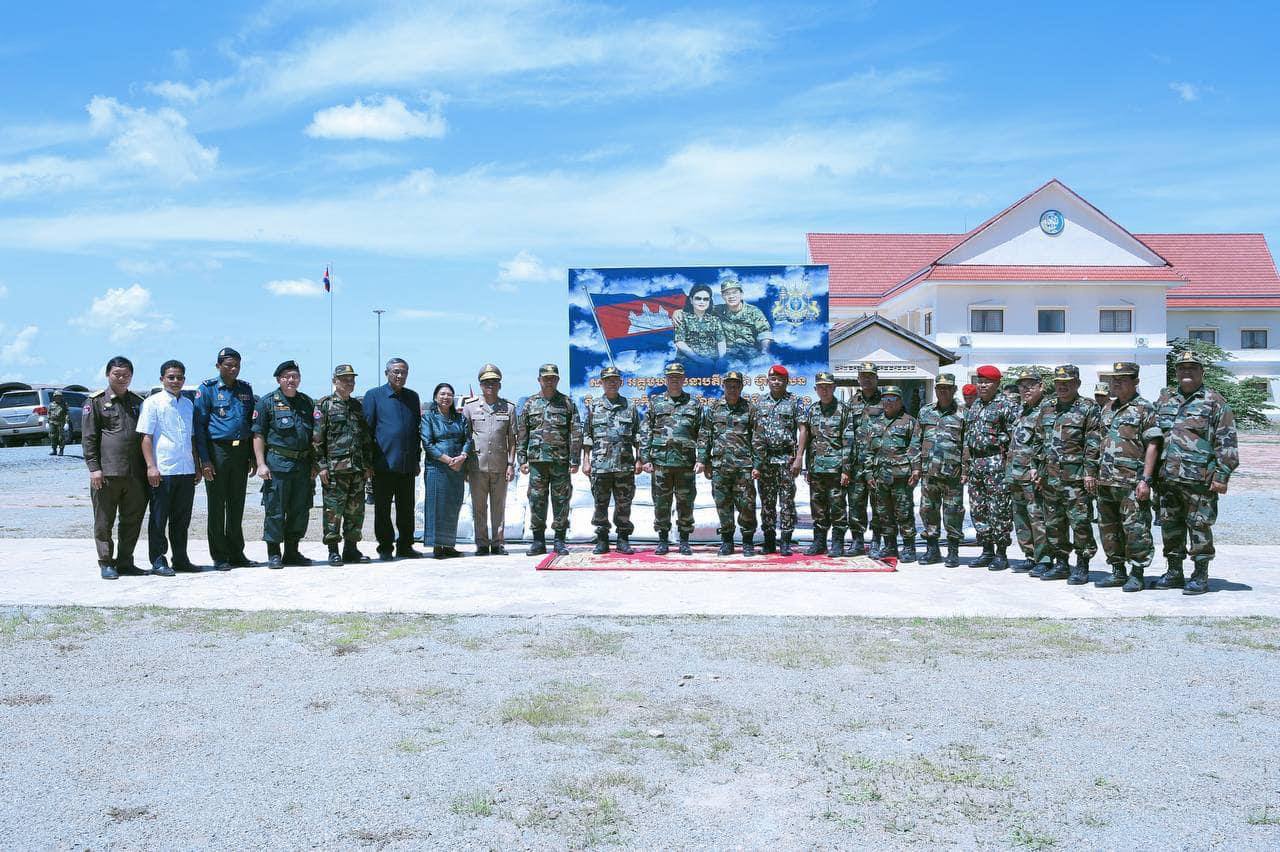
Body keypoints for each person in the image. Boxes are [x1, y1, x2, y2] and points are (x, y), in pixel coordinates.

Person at [1153, 351, 1239, 595]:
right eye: (1182, 367)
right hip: (1167, 478)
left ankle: (1200, 575)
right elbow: (1154, 437)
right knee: (1170, 526)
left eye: (1192, 367)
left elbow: (1227, 441)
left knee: (1199, 526)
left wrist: (1222, 475)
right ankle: (1174, 572)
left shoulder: (1214, 401)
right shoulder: (1165, 399)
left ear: (1202, 372)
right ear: (1176, 372)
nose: (1187, 371)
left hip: (1199, 479)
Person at [1094, 362, 1162, 592]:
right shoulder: (1107, 408)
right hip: (1106, 480)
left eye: (1123, 379)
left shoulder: (1145, 408)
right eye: (1115, 379)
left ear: (1136, 382)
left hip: (1131, 481)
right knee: (1109, 529)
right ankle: (1117, 571)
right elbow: (1099, 442)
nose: (1117, 383)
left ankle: (1137, 573)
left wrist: (1146, 479)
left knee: (1136, 529)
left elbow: (1153, 444)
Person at [82, 356, 148, 580]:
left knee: (132, 520)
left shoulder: (138, 402)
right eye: (117, 374)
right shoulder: (96, 401)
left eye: (126, 375)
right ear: (108, 375)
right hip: (107, 473)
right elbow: (89, 437)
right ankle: (106, 562)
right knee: (104, 521)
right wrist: (94, 468)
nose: (121, 378)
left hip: (135, 473)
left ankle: (125, 561)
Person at [1038, 365, 1102, 584]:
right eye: (1058, 382)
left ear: (1077, 384)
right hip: (1050, 477)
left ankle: (1082, 564)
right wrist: (1037, 469)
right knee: (1053, 522)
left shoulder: (1088, 407)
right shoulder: (1047, 407)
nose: (1062, 386)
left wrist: (1090, 473)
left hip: (1076, 479)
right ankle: (1061, 563)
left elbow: (1093, 442)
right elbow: (1038, 439)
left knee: (1080, 522)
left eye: (1067, 382)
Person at [137, 359, 202, 575]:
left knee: (181, 519)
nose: (175, 381)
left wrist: (197, 465)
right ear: (162, 379)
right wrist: (151, 466)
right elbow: (146, 437)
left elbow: (192, 438)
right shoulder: (152, 403)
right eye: (171, 377)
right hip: (163, 469)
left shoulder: (188, 404)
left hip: (185, 469)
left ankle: (181, 558)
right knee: (159, 518)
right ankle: (158, 560)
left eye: (179, 377)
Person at [193, 347, 256, 571]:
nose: (233, 369)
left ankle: (236, 552)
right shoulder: (207, 389)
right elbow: (199, 427)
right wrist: (205, 460)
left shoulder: (245, 389)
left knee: (237, 504)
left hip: (240, 452)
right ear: (218, 366)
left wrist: (251, 456)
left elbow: (250, 424)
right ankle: (219, 555)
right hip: (217, 451)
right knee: (217, 505)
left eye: (237, 365)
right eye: (228, 365)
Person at [253, 360, 317, 569]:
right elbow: (258, 435)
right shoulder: (267, 403)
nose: (291, 380)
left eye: (295, 376)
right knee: (275, 509)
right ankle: (274, 553)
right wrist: (261, 464)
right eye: (287, 377)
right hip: (278, 465)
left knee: (300, 509)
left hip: (302, 466)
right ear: (279, 379)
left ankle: (292, 551)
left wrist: (315, 463)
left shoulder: (307, 402)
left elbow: (314, 436)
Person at [516, 363, 582, 555]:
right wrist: (522, 459)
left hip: (561, 461)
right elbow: (522, 432)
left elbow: (575, 432)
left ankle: (559, 540)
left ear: (558, 380)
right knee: (537, 500)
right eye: (546, 378)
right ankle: (538, 541)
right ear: (539, 380)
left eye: (553, 378)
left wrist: (575, 459)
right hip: (537, 462)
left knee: (561, 500)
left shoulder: (567, 403)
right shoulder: (530, 403)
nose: (549, 381)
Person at [363, 358, 424, 560]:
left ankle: (405, 545)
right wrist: (368, 462)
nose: (400, 376)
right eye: (396, 372)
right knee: (382, 509)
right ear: (387, 373)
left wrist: (416, 459)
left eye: (403, 372)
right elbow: (367, 430)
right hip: (383, 464)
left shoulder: (412, 397)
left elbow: (416, 431)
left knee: (406, 508)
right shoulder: (374, 395)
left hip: (407, 464)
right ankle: (385, 547)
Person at [314, 364, 374, 566]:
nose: (349, 383)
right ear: (335, 381)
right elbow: (317, 439)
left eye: (352, 380)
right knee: (333, 511)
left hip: (357, 469)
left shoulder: (357, 406)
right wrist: (321, 466)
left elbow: (365, 438)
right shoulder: (325, 405)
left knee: (355, 512)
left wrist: (367, 464)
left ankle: (351, 549)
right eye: (345, 379)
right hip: (335, 470)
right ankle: (333, 550)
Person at [640, 362, 702, 555]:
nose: (674, 379)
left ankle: (684, 540)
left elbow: (702, 433)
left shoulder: (693, 403)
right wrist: (645, 458)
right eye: (671, 376)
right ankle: (663, 540)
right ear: (665, 379)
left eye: (678, 376)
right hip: (661, 462)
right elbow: (646, 431)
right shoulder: (656, 402)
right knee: (661, 502)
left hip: (686, 463)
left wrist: (702, 458)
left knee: (686, 502)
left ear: (684, 379)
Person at [962, 365, 1017, 569]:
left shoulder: (1006, 406)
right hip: (976, 463)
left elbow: (1015, 439)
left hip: (996, 462)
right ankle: (986, 550)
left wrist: (1010, 467)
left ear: (997, 384)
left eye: (987, 382)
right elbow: (968, 436)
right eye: (980, 382)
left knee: (999, 509)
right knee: (979, 508)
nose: (983, 385)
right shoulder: (975, 405)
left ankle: (1001, 553)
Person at [582, 366, 641, 554]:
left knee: (624, 503)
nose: (612, 383)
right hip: (600, 466)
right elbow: (587, 436)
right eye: (608, 380)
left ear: (620, 382)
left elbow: (637, 436)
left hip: (624, 464)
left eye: (615, 380)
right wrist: (586, 460)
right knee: (600, 503)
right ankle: (602, 539)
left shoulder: (630, 407)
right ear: (601, 383)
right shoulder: (593, 407)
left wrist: (639, 459)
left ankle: (623, 539)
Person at [700, 370, 759, 556]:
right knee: (723, 505)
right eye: (729, 386)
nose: (732, 389)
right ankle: (727, 541)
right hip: (720, 467)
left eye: (736, 386)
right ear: (723, 386)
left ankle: (747, 541)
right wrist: (704, 461)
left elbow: (757, 439)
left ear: (741, 387)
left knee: (747, 505)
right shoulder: (714, 408)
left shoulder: (750, 409)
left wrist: (757, 465)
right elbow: (705, 436)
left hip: (744, 467)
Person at [462, 364, 517, 555]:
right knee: (479, 506)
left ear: (499, 385)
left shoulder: (508, 408)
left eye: (494, 382)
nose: (490, 386)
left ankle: (498, 543)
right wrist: (465, 466)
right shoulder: (470, 407)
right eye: (486, 383)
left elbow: (512, 440)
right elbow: (465, 437)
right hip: (476, 465)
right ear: (480, 385)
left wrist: (511, 464)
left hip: (500, 465)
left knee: (498, 506)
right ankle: (482, 543)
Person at [797, 371, 853, 557]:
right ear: (815, 389)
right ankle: (819, 543)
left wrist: (846, 469)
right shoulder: (813, 410)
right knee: (818, 508)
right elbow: (808, 440)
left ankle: (837, 543)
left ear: (834, 388)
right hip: (816, 469)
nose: (824, 390)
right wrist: (807, 467)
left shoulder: (844, 410)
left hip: (836, 470)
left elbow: (848, 441)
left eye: (828, 387)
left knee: (838, 508)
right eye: (821, 387)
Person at [864, 386, 922, 561]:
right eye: (885, 399)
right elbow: (868, 450)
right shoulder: (875, 423)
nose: (888, 403)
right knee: (883, 512)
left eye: (892, 399)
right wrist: (868, 473)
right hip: (880, 475)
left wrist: (916, 469)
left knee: (904, 511)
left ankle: (909, 547)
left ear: (900, 401)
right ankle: (890, 546)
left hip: (901, 476)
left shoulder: (909, 421)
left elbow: (914, 448)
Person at [751, 365, 803, 556]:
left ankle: (786, 542)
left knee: (787, 502)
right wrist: (757, 463)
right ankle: (769, 541)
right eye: (773, 379)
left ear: (786, 381)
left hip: (787, 459)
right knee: (767, 502)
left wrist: (799, 458)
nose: (776, 382)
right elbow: (755, 433)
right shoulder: (759, 403)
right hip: (765, 461)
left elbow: (803, 430)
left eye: (780, 379)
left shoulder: (794, 401)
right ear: (767, 381)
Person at [917, 373, 965, 567]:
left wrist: (965, 470)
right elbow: (916, 440)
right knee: (928, 510)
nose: (943, 391)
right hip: (929, 472)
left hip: (953, 474)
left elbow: (967, 445)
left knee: (953, 512)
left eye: (947, 388)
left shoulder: (963, 413)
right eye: (940, 388)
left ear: (954, 390)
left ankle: (953, 551)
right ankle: (932, 550)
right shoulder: (925, 412)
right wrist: (916, 467)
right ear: (935, 390)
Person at [1006, 369, 1050, 575]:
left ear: (1041, 386)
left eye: (1031, 386)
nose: (1026, 390)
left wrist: (1040, 470)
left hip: (1033, 474)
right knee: (1021, 517)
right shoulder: (1022, 410)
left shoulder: (1047, 410)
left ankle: (1044, 559)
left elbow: (1047, 444)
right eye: (1022, 387)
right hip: (1015, 472)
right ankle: (1030, 555)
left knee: (1037, 517)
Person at [420, 383, 468, 559]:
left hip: (457, 468)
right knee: (437, 506)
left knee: (453, 506)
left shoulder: (460, 418)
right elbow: (427, 443)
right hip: (437, 468)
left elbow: (468, 439)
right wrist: (447, 460)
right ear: (435, 397)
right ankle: (437, 546)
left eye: (449, 394)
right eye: (442, 394)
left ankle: (449, 545)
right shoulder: (428, 418)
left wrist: (462, 456)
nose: (446, 397)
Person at [843, 362, 884, 556]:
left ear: (877, 378)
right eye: (863, 376)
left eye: (870, 376)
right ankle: (857, 541)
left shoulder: (886, 401)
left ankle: (876, 541)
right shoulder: (851, 403)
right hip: (856, 463)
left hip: (878, 463)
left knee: (878, 503)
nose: (867, 379)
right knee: (856, 503)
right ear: (858, 379)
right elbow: (845, 432)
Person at [713, 277, 773, 361]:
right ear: (723, 296)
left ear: (741, 294)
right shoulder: (717, 310)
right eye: (727, 293)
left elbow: (765, 333)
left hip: (750, 354)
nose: (731, 296)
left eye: (735, 292)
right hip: (727, 354)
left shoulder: (754, 311)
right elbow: (699, 307)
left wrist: (764, 352)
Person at [672, 283, 726, 373]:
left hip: (711, 359)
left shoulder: (715, 320)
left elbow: (721, 341)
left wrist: (721, 359)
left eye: (705, 299)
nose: (702, 302)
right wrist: (699, 359)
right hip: (688, 360)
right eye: (698, 298)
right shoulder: (682, 317)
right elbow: (679, 342)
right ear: (691, 300)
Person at [47, 390, 68, 456]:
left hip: (60, 422)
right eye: (56, 396)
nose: (58, 398)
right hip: (52, 422)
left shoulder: (64, 404)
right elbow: (48, 413)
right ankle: (54, 450)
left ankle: (61, 450)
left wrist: (66, 422)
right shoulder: (51, 404)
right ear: (54, 397)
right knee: (52, 436)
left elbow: (67, 414)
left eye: (59, 396)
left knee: (61, 437)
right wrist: (48, 421)